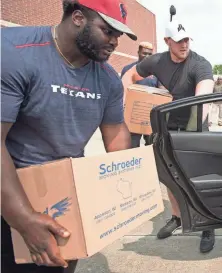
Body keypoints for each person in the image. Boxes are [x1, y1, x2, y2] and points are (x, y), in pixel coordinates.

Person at [1, 0, 137, 272]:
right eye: (107, 31)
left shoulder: (108, 79)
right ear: (77, 18)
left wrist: (129, 194)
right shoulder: (14, 52)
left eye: (118, 36)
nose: (114, 42)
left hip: (64, 191)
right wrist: (24, 218)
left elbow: (117, 138)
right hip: (11, 189)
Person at [122, 20, 215, 253]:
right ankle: (177, 217)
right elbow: (130, 76)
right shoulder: (157, 60)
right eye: (179, 40)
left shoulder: (200, 64)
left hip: (195, 125)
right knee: (170, 177)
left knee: (196, 178)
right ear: (167, 41)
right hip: (165, 126)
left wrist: (191, 138)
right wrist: (129, 98)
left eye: (187, 39)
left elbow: (201, 99)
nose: (184, 44)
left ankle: (207, 225)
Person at [121, 42, 165, 148]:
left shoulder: (157, 72)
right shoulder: (128, 69)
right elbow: (122, 90)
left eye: (150, 54)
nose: (147, 57)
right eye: (144, 53)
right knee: (131, 147)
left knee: (151, 147)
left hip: (150, 116)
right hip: (133, 115)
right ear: (138, 53)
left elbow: (162, 91)